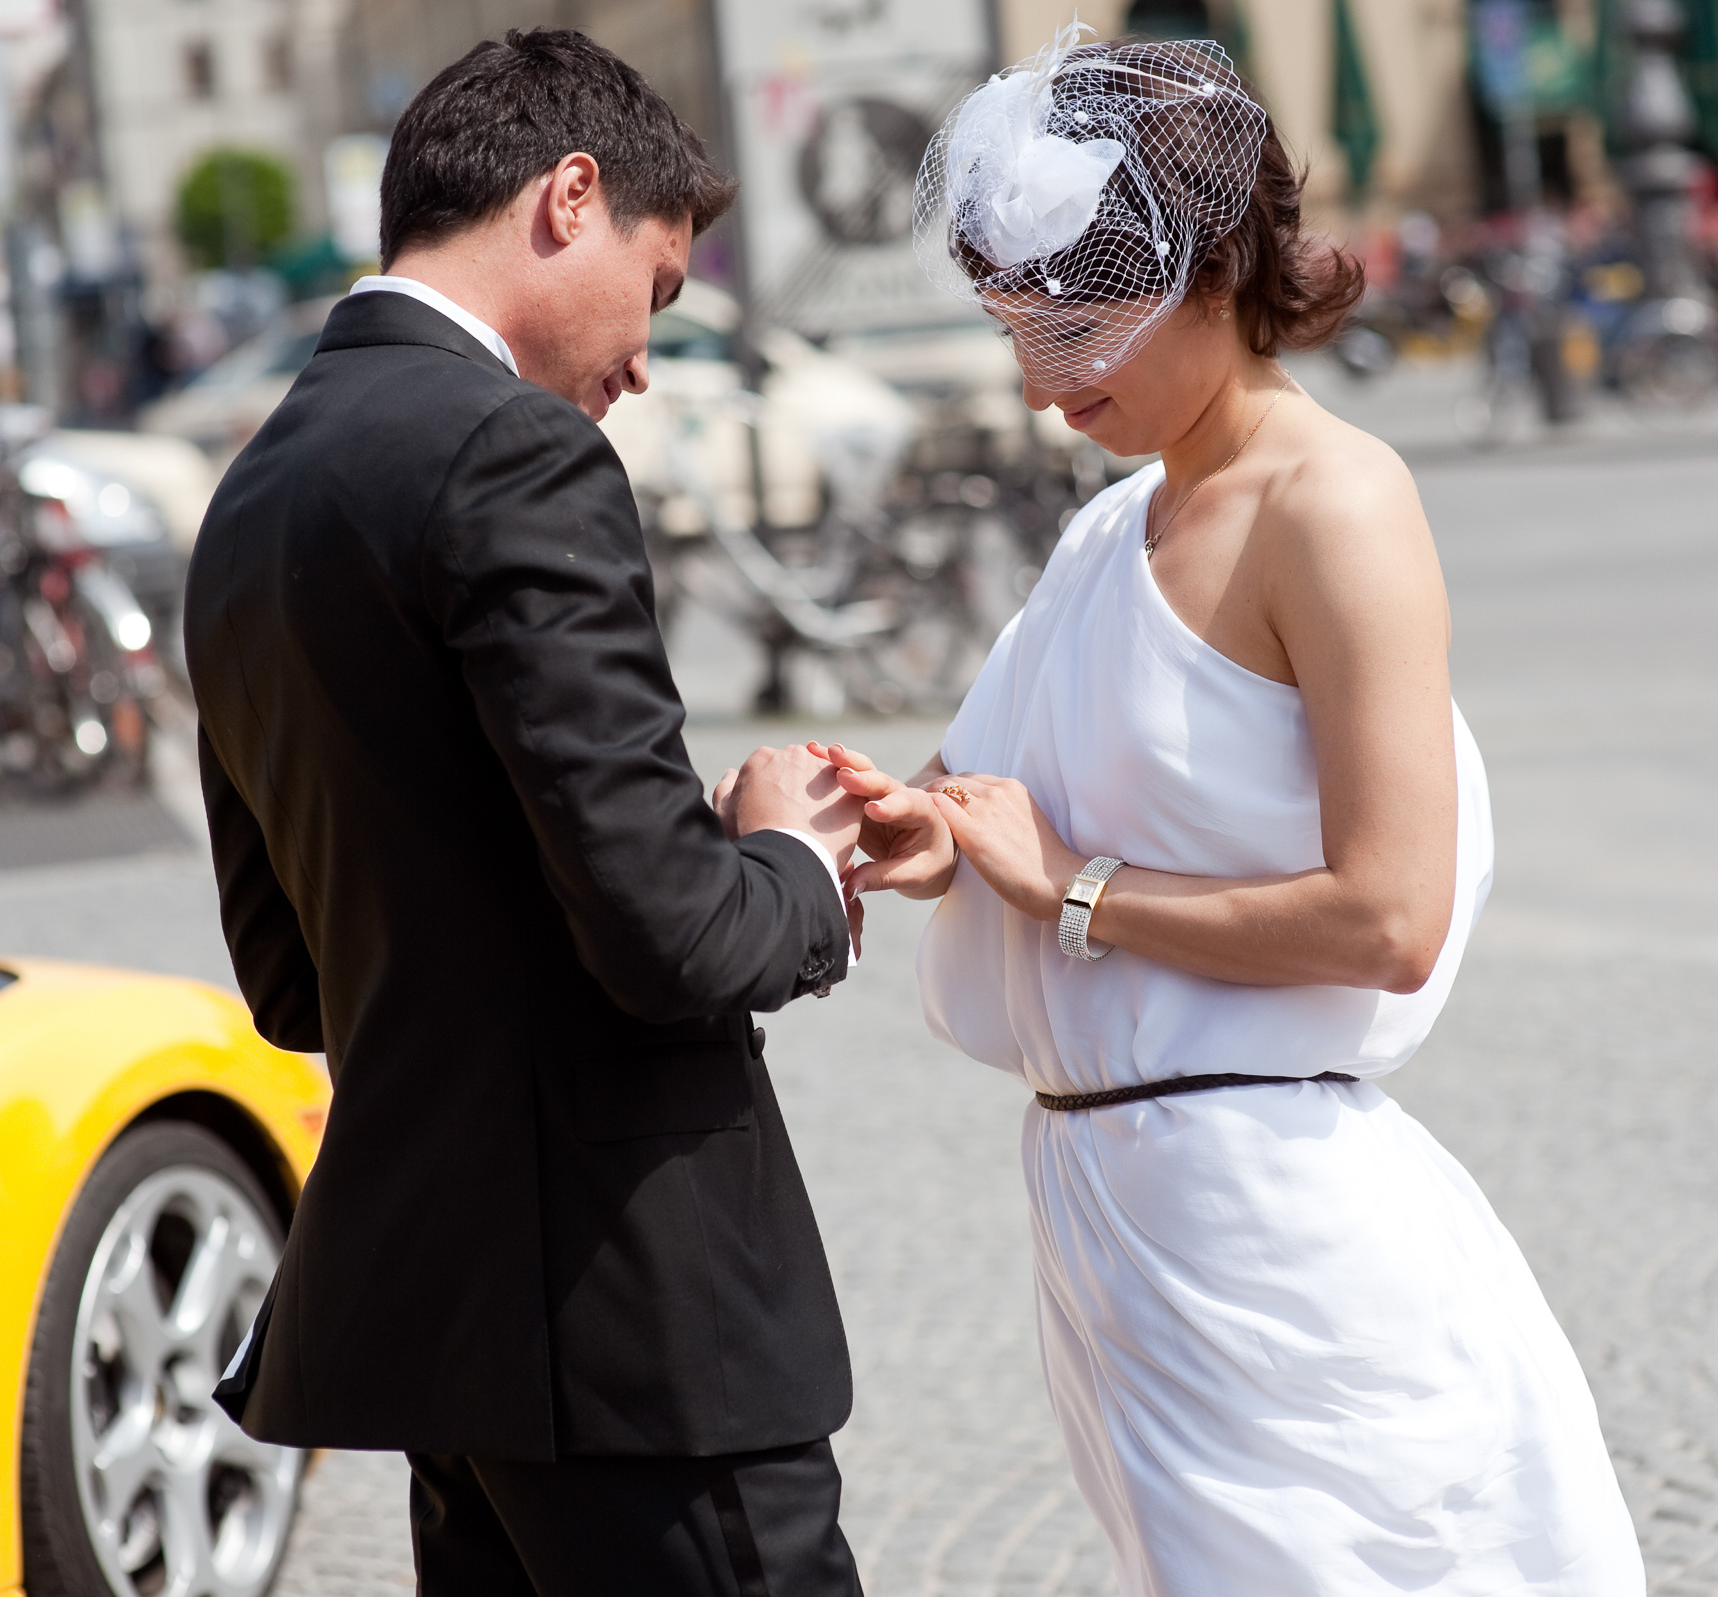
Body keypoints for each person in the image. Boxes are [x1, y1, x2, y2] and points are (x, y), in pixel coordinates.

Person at [820, 32, 1644, 1596]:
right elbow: (997, 804)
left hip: (1270, 1210)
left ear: (1209, 273)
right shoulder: (1112, 525)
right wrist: (931, 838)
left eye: (1077, 323)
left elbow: (1389, 917)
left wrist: (1074, 887)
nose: (1041, 379)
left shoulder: (1334, 501)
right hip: (1109, 1214)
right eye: (1014, 326)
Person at [185, 31, 869, 1595]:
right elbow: (673, 937)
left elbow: (292, 976)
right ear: (570, 196)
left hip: (447, 1336)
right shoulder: (512, 450)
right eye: (658, 286)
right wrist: (792, 856)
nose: (643, 362)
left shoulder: (252, 493)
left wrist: (636, 852)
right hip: (635, 1319)